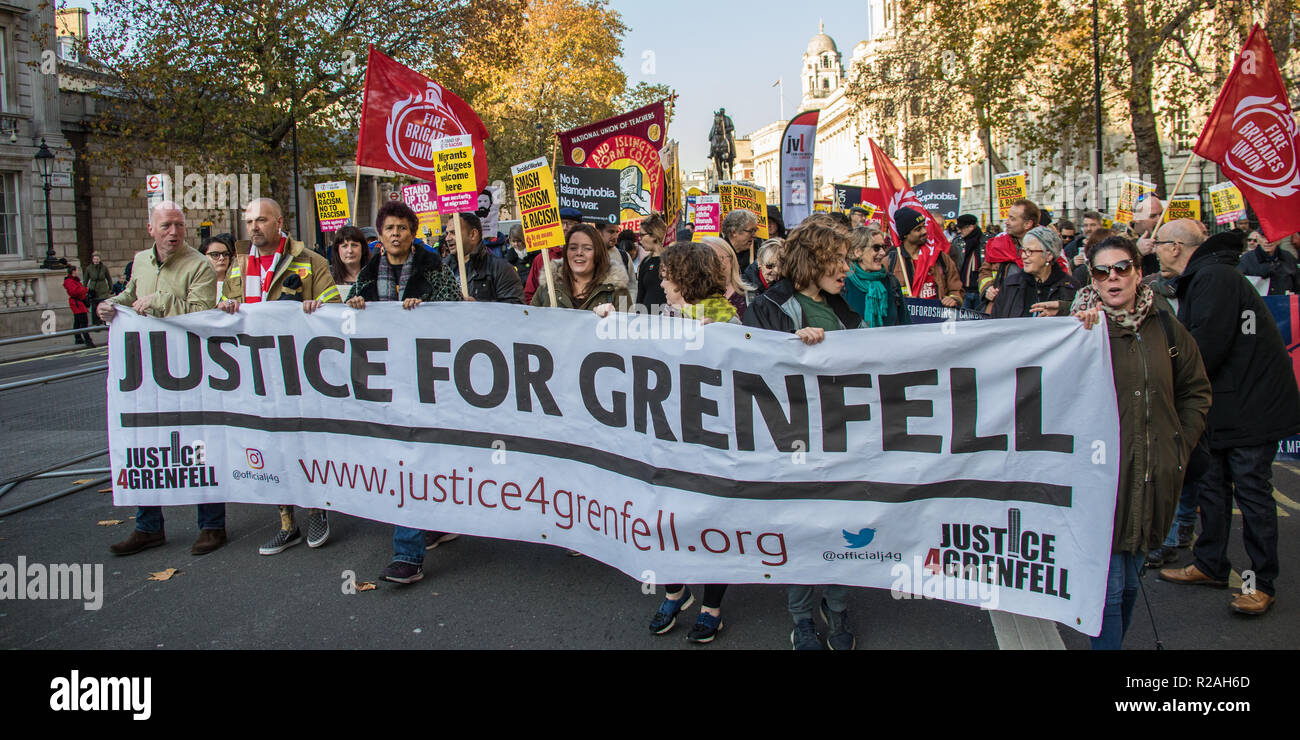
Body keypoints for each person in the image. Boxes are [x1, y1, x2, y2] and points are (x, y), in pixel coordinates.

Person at [1071, 235, 1211, 649]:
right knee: (1109, 590)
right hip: (1102, 480)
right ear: (1092, 279)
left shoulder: (1166, 325)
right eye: (1101, 271)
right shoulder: (1079, 332)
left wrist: (1177, 446)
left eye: (1121, 268)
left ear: (1137, 270)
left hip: (1152, 474)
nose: (1112, 278)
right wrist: (1076, 335)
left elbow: (1195, 390)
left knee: (1131, 581)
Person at [1152, 223, 1300, 615]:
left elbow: (1203, 348)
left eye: (1159, 245)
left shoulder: (1213, 277)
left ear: (1176, 248)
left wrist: (1159, 367)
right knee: (1212, 486)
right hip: (1225, 404)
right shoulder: (1208, 275)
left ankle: (1259, 583)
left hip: (1252, 408)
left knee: (1251, 493)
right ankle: (1211, 563)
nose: (1154, 252)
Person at [743, 215, 862, 649]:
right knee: (803, 528)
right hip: (795, 443)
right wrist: (791, 344)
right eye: (838, 260)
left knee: (841, 526)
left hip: (842, 438)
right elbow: (751, 364)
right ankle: (802, 617)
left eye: (847, 260)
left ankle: (838, 606)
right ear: (812, 260)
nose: (847, 269)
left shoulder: (844, 306)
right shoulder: (770, 307)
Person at [346, 201, 463, 584]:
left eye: (402, 228)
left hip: (430, 378)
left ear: (413, 234)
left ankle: (431, 525)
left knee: (424, 454)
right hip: (387, 383)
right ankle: (408, 553)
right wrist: (356, 305)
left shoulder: (433, 268)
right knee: (405, 457)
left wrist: (426, 308)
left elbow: (458, 311)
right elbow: (348, 318)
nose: (395, 234)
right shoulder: (367, 273)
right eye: (388, 228)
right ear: (379, 235)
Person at [219, 198, 342, 554]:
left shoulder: (310, 261)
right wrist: (225, 306)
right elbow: (227, 305)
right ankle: (287, 521)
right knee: (271, 444)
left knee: (307, 441)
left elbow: (333, 308)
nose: (253, 227)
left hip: (300, 371)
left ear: (279, 222)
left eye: (261, 220)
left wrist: (316, 307)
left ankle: (318, 509)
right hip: (257, 372)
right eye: (248, 221)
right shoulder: (240, 265)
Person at [100, 201, 222, 556]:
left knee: (198, 444)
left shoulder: (198, 264)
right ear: (151, 229)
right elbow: (130, 295)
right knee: (145, 446)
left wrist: (160, 300)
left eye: (180, 226)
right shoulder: (140, 261)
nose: (174, 232)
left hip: (190, 369)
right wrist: (110, 304)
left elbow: (203, 314)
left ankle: (212, 525)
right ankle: (147, 526)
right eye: (167, 225)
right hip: (147, 369)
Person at [645, 240, 739, 644]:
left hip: (711, 444)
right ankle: (674, 591)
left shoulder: (730, 323)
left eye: (667, 277)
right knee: (662, 518)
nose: (662, 284)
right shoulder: (659, 318)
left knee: (711, 522)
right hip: (666, 441)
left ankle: (711, 608)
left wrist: (716, 341)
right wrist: (603, 320)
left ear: (684, 279)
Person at [531, 223, 630, 310]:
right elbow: (530, 324)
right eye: (573, 248)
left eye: (587, 248)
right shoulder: (547, 289)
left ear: (598, 253)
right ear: (566, 252)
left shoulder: (619, 291)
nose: (579, 253)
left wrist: (613, 320)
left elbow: (628, 327)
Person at [989, 226, 1076, 318]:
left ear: (1048, 255)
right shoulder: (1010, 284)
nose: (1024, 256)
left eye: (1029, 251)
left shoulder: (1069, 287)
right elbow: (996, 322)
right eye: (1023, 251)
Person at [888, 206, 963, 306]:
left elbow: (956, 288)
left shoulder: (940, 256)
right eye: (918, 229)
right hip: (906, 320)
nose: (924, 231)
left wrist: (954, 298)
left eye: (924, 226)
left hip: (938, 319)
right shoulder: (891, 261)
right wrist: (902, 301)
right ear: (905, 234)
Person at [444, 212, 524, 303]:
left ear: (473, 234)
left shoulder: (501, 269)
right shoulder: (442, 269)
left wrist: (479, 307)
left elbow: (515, 309)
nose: (447, 238)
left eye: (453, 233)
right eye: (447, 233)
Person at [842, 226, 909, 327]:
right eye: (876, 248)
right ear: (858, 251)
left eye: (884, 247)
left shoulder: (891, 282)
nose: (883, 253)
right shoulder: (843, 283)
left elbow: (905, 323)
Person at [979, 198, 1037, 308]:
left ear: (1027, 224)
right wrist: (987, 288)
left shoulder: (1045, 246)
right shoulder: (998, 244)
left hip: (1031, 308)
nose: (1006, 222)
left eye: (1012, 219)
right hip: (1000, 308)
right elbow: (984, 272)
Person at [523, 207, 582, 303]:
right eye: (561, 223)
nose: (565, 228)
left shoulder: (587, 257)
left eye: (570, 223)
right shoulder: (542, 258)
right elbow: (529, 294)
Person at [702, 236, 752, 318]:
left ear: (731, 260)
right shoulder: (691, 298)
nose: (713, 263)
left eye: (720, 258)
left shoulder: (750, 298)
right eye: (706, 260)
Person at [634, 213, 669, 314]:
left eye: (641, 235)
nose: (639, 239)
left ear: (654, 235)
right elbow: (640, 294)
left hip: (668, 319)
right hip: (646, 319)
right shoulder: (646, 262)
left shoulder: (672, 260)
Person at [328, 225, 370, 299]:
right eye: (344, 246)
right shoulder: (328, 276)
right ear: (337, 250)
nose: (350, 251)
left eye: (354, 245)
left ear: (363, 248)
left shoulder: (375, 275)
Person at [955, 214, 985, 310]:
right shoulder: (957, 242)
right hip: (963, 291)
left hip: (980, 291)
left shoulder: (986, 242)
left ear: (971, 227)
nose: (959, 231)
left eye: (961, 228)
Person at [63, 265, 93, 347]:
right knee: (83, 322)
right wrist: (85, 289)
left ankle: (78, 338)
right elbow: (74, 292)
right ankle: (88, 340)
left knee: (78, 322)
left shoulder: (74, 280)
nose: (78, 272)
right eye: (76, 270)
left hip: (78, 302)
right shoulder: (69, 281)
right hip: (76, 303)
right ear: (73, 271)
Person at [198, 234, 235, 301]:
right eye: (215, 255)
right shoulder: (197, 285)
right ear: (203, 257)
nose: (222, 258)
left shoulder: (236, 283)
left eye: (225, 254)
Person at [82, 251, 112, 326]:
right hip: (93, 289)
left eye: (97, 259)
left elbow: (109, 278)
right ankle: (96, 322)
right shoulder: (89, 268)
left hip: (103, 289)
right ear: (92, 259)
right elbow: (85, 280)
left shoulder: (104, 268)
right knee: (94, 306)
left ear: (100, 259)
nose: (96, 260)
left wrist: (110, 288)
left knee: (104, 305)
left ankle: (105, 321)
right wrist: (84, 289)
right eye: (95, 259)